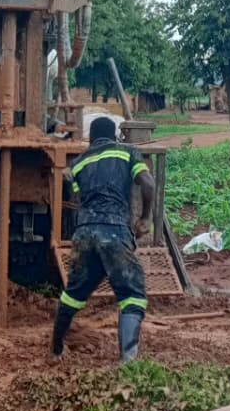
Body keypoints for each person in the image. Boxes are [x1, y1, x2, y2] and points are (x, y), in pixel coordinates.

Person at [51, 116, 155, 363]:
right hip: (114, 231)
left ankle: (55, 349)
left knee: (74, 293)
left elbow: (77, 201)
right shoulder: (128, 153)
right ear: (115, 135)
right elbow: (148, 183)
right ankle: (129, 363)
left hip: (84, 233)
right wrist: (146, 217)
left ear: (91, 138)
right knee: (133, 294)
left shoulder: (78, 163)